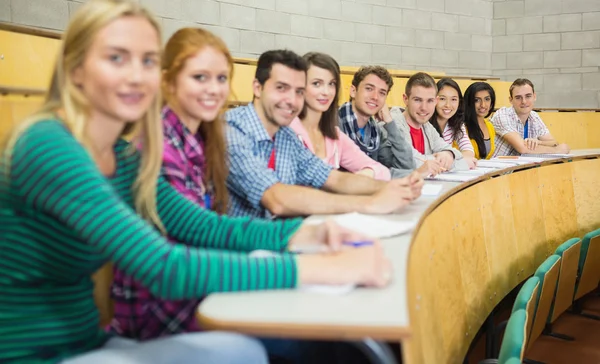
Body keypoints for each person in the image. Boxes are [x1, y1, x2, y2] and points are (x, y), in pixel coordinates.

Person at [0, 1, 392, 362]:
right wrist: (327, 270)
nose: (137, 76)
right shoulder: (46, 144)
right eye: (116, 58)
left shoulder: (123, 155)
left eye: (148, 61)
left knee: (260, 348)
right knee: (252, 352)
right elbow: (162, 267)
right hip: (37, 355)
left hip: (88, 341)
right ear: (75, 68)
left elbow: (200, 225)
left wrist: (308, 237)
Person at [109, 27, 233, 340]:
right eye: (200, 77)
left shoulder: (200, 139)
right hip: (160, 308)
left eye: (221, 78)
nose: (214, 89)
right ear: (168, 82)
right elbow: (195, 239)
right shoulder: (157, 148)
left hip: (195, 289)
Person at [226, 50, 423, 218]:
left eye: (298, 91)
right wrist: (368, 203)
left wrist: (394, 188)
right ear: (257, 88)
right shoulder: (232, 129)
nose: (291, 100)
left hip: (280, 236)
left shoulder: (284, 135)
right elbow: (276, 199)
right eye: (281, 88)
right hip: (237, 250)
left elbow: (334, 179)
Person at [290, 52, 391, 181]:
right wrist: (345, 182)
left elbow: (382, 171)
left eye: (331, 84)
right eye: (316, 83)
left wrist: (367, 173)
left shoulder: (334, 136)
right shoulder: (287, 130)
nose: (326, 92)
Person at [338, 65, 417, 178]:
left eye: (382, 93)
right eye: (369, 88)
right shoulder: (334, 123)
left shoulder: (375, 131)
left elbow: (406, 165)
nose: (375, 97)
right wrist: (414, 175)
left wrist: (390, 122)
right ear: (353, 91)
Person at [390, 72, 469, 176]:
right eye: (417, 100)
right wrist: (445, 161)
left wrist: (449, 154)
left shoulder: (426, 126)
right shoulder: (392, 124)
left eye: (430, 101)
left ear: (436, 101)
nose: (424, 107)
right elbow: (410, 162)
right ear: (406, 99)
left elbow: (461, 159)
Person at [492, 78, 570, 156]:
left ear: (534, 96)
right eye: (518, 97)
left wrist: (539, 142)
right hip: (497, 167)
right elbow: (523, 148)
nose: (524, 101)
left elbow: (553, 142)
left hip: (521, 166)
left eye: (528, 96)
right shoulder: (502, 115)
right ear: (511, 100)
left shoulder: (534, 116)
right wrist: (556, 150)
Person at [429, 78, 476, 168]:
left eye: (453, 99)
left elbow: (468, 151)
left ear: (459, 102)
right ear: (434, 100)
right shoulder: (426, 123)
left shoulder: (456, 123)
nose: (448, 105)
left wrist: (452, 159)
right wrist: (458, 160)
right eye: (442, 99)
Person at [463, 82, 497, 160]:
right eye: (477, 100)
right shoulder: (462, 127)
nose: (483, 105)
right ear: (469, 102)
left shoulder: (490, 126)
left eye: (487, 99)